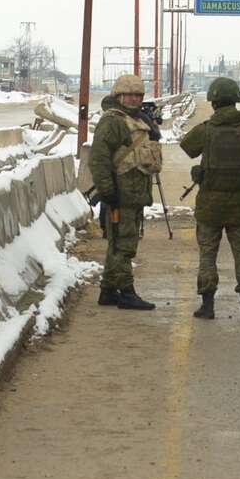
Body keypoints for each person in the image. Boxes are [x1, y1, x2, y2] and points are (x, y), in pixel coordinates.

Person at [180, 76, 240, 319]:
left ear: (214, 102)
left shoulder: (206, 130)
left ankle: (207, 306)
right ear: (236, 100)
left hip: (209, 205)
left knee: (207, 254)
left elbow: (187, 147)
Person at [84, 73, 158, 311]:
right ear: (119, 96)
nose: (135, 100)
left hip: (133, 194)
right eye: (130, 95)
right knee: (124, 244)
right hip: (120, 194)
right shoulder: (113, 122)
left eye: (138, 95)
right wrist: (108, 192)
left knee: (118, 242)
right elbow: (99, 160)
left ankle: (108, 290)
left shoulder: (136, 120)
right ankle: (126, 292)